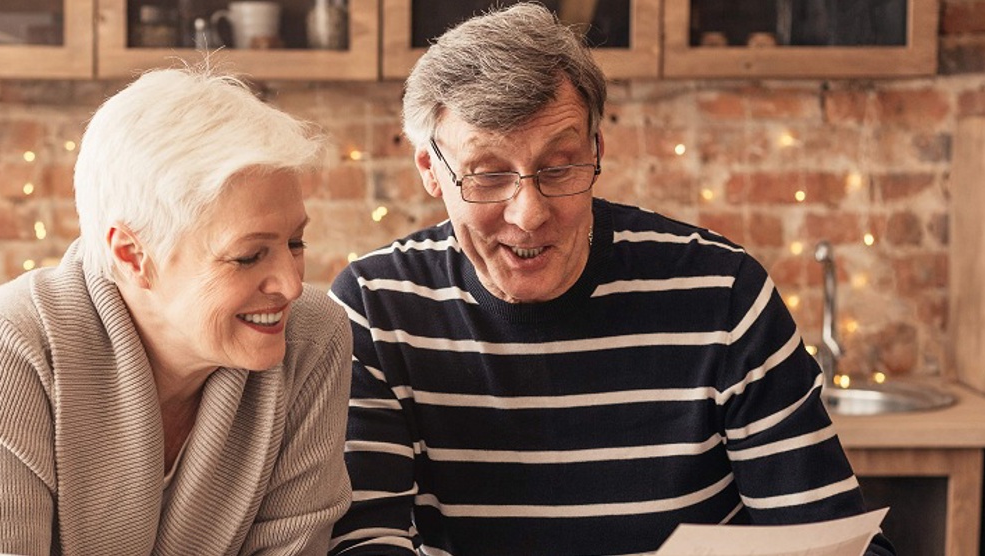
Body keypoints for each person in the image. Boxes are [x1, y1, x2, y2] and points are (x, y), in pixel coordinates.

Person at [326, 4, 894, 555]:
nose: (528, 213)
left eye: (560, 166)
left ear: (596, 150)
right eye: (488, 174)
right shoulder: (376, 309)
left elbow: (832, 533)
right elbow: (364, 541)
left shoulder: (723, 294)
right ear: (431, 169)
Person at [0, 67, 353, 555]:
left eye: (296, 243)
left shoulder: (312, 337)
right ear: (133, 255)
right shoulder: (11, 339)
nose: (288, 281)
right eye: (248, 255)